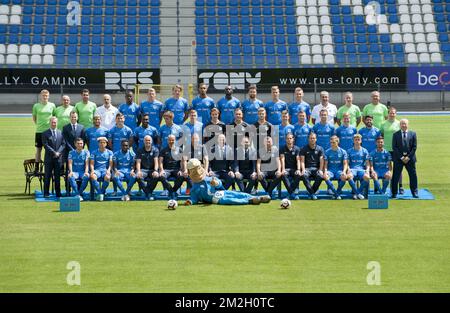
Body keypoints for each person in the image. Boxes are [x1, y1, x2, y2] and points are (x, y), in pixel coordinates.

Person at [185, 158, 271, 205]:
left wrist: (216, 183)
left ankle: (254, 197)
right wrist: (191, 201)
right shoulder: (195, 188)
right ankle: (250, 201)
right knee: (231, 200)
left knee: (237, 194)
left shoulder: (209, 179)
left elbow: (219, 185)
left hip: (223, 192)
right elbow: (194, 198)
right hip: (216, 199)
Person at [391, 119, 418, 198]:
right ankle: (394, 192)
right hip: (399, 159)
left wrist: (408, 157)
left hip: (410, 159)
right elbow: (394, 147)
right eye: (402, 124)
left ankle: (414, 192)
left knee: (413, 176)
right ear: (400, 125)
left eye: (405, 124)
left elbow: (414, 147)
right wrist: (402, 157)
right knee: (395, 176)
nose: (403, 125)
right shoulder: (395, 134)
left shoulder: (413, 134)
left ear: (408, 124)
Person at [380, 106, 403, 194]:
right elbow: (381, 135)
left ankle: (400, 186)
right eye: (390, 113)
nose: (392, 114)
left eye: (393, 113)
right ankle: (385, 187)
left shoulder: (399, 123)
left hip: (396, 150)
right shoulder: (383, 124)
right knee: (386, 168)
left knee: (398, 169)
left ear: (395, 114)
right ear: (388, 114)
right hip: (386, 150)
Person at [42, 116, 66, 198]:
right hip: (49, 159)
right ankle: (46, 193)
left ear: (57, 123)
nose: (53, 124)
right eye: (52, 122)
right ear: (50, 123)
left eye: (55, 122)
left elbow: (63, 144)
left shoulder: (61, 132)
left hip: (58, 159)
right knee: (47, 176)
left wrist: (58, 152)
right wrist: (54, 152)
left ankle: (58, 193)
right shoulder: (45, 133)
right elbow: (45, 145)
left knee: (57, 177)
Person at [159, 134, 187, 200]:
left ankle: (172, 191)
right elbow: (160, 162)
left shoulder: (180, 150)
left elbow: (183, 161)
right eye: (170, 140)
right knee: (162, 176)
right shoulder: (163, 150)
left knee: (181, 176)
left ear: (175, 140)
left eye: (173, 140)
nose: (171, 141)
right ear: (167, 140)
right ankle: (172, 192)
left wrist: (182, 170)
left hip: (176, 170)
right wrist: (162, 170)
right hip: (167, 170)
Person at [32, 89, 56, 163]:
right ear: (40, 96)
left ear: (48, 96)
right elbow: (34, 118)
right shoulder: (36, 106)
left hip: (49, 131)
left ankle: (49, 166)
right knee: (38, 149)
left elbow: (54, 117)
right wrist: (39, 125)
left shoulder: (52, 105)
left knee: (50, 149)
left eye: (46, 96)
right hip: (39, 131)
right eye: (43, 96)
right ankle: (37, 167)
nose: (45, 97)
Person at [299, 132, 324, 200]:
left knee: (320, 176)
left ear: (316, 139)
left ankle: (311, 191)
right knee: (304, 175)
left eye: (313, 138)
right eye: (311, 138)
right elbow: (302, 161)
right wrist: (303, 169)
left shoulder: (320, 148)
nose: (312, 139)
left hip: (316, 169)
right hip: (307, 169)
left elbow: (322, 160)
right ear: (308, 139)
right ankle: (312, 193)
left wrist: (320, 170)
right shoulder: (303, 148)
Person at [135, 135, 160, 200]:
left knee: (156, 176)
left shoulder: (155, 150)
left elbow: (156, 161)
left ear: (151, 142)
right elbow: (138, 162)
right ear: (144, 141)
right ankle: (149, 193)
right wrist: (138, 171)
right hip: (143, 170)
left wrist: (155, 171)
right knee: (138, 176)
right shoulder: (140, 150)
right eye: (146, 140)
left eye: (149, 140)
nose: (147, 142)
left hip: (152, 170)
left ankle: (147, 193)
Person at [346, 134, 370, 199]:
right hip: (352, 169)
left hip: (361, 169)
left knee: (367, 177)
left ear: (361, 141)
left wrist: (367, 170)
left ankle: (357, 193)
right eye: (355, 140)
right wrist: (348, 169)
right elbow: (347, 163)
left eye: (358, 140)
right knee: (349, 176)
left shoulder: (365, 151)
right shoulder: (349, 151)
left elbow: (368, 163)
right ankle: (358, 193)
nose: (357, 141)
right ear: (353, 141)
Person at [90, 137, 113, 201]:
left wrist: (108, 170)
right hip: (97, 170)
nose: (102, 144)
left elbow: (111, 163)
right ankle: (101, 193)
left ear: (106, 144)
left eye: (104, 143)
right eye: (100, 143)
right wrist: (92, 171)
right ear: (98, 144)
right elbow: (91, 164)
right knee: (93, 176)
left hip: (105, 170)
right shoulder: (94, 152)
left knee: (107, 177)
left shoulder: (110, 152)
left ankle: (100, 193)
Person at [280, 133, 301, 200]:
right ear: (286, 139)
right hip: (286, 169)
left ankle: (290, 193)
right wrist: (283, 169)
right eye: (288, 138)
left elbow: (298, 160)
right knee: (283, 175)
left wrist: (298, 169)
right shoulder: (282, 148)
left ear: (293, 139)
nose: (289, 140)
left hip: (294, 169)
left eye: (290, 138)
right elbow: (282, 159)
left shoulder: (297, 148)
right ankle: (292, 193)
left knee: (299, 175)